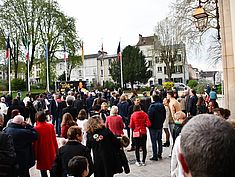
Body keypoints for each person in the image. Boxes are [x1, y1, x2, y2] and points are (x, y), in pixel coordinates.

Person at [33, 111, 58, 177]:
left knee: (43, 172)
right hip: (51, 150)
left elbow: (35, 143)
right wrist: (56, 150)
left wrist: (35, 155)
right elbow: (54, 139)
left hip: (41, 152)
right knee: (52, 170)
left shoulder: (36, 128)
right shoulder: (51, 126)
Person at [147, 94, 166, 161]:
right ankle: (159, 153)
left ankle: (155, 155)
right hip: (159, 125)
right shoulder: (162, 105)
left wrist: (149, 124)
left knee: (154, 141)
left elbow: (150, 117)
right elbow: (164, 115)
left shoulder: (152, 106)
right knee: (159, 140)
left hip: (153, 126)